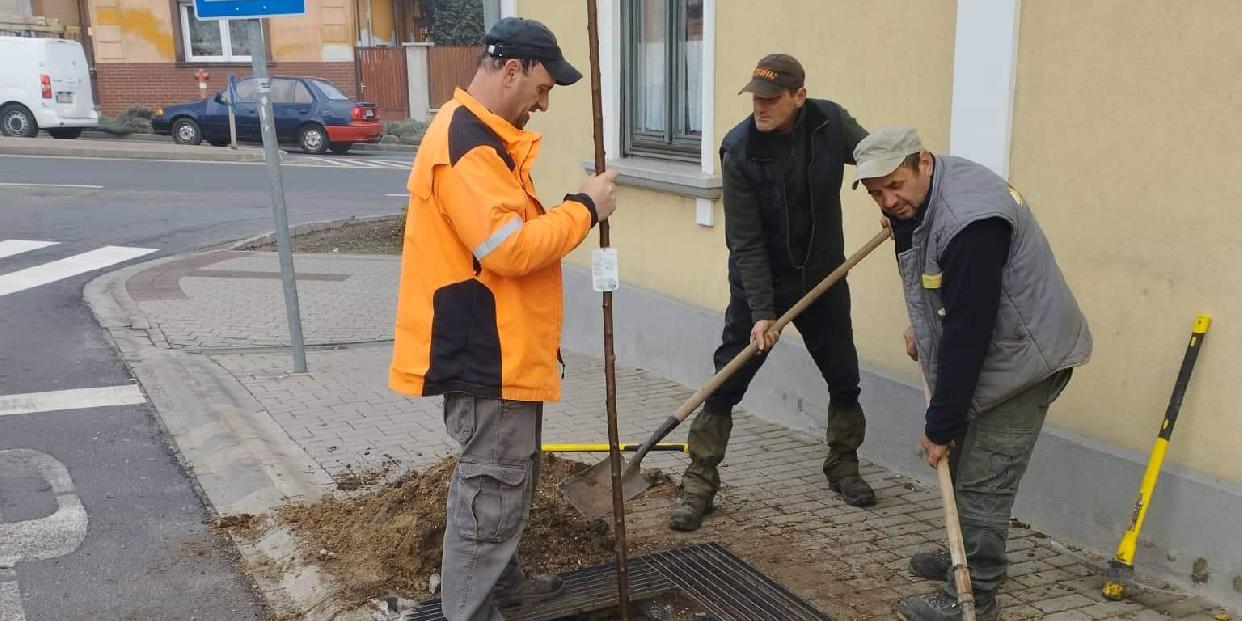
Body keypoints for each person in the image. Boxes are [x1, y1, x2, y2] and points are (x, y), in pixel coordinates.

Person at [388, 17, 617, 621]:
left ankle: (502, 585)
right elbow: (509, 249)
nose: (544, 103)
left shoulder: (487, 141)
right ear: (510, 69)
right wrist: (585, 208)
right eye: (542, 88)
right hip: (482, 356)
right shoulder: (465, 146)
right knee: (491, 492)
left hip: (501, 353)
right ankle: (471, 611)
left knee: (505, 486)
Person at [853, 126, 1092, 621]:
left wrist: (939, 426)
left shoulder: (970, 220)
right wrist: (924, 326)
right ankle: (962, 552)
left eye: (895, 186)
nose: (889, 200)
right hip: (992, 342)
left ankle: (975, 594)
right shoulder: (927, 196)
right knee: (963, 464)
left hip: (1024, 359)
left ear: (922, 161)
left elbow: (969, 331)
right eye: (877, 192)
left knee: (984, 478)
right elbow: (939, 282)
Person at [670, 53, 875, 533]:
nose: (759, 107)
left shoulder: (829, 123)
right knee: (728, 380)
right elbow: (745, 241)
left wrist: (892, 195)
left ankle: (843, 463)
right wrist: (762, 312)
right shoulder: (739, 150)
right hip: (760, 284)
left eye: (770, 99)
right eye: (755, 98)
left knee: (844, 375)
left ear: (798, 97)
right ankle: (699, 480)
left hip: (823, 277)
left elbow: (873, 154)